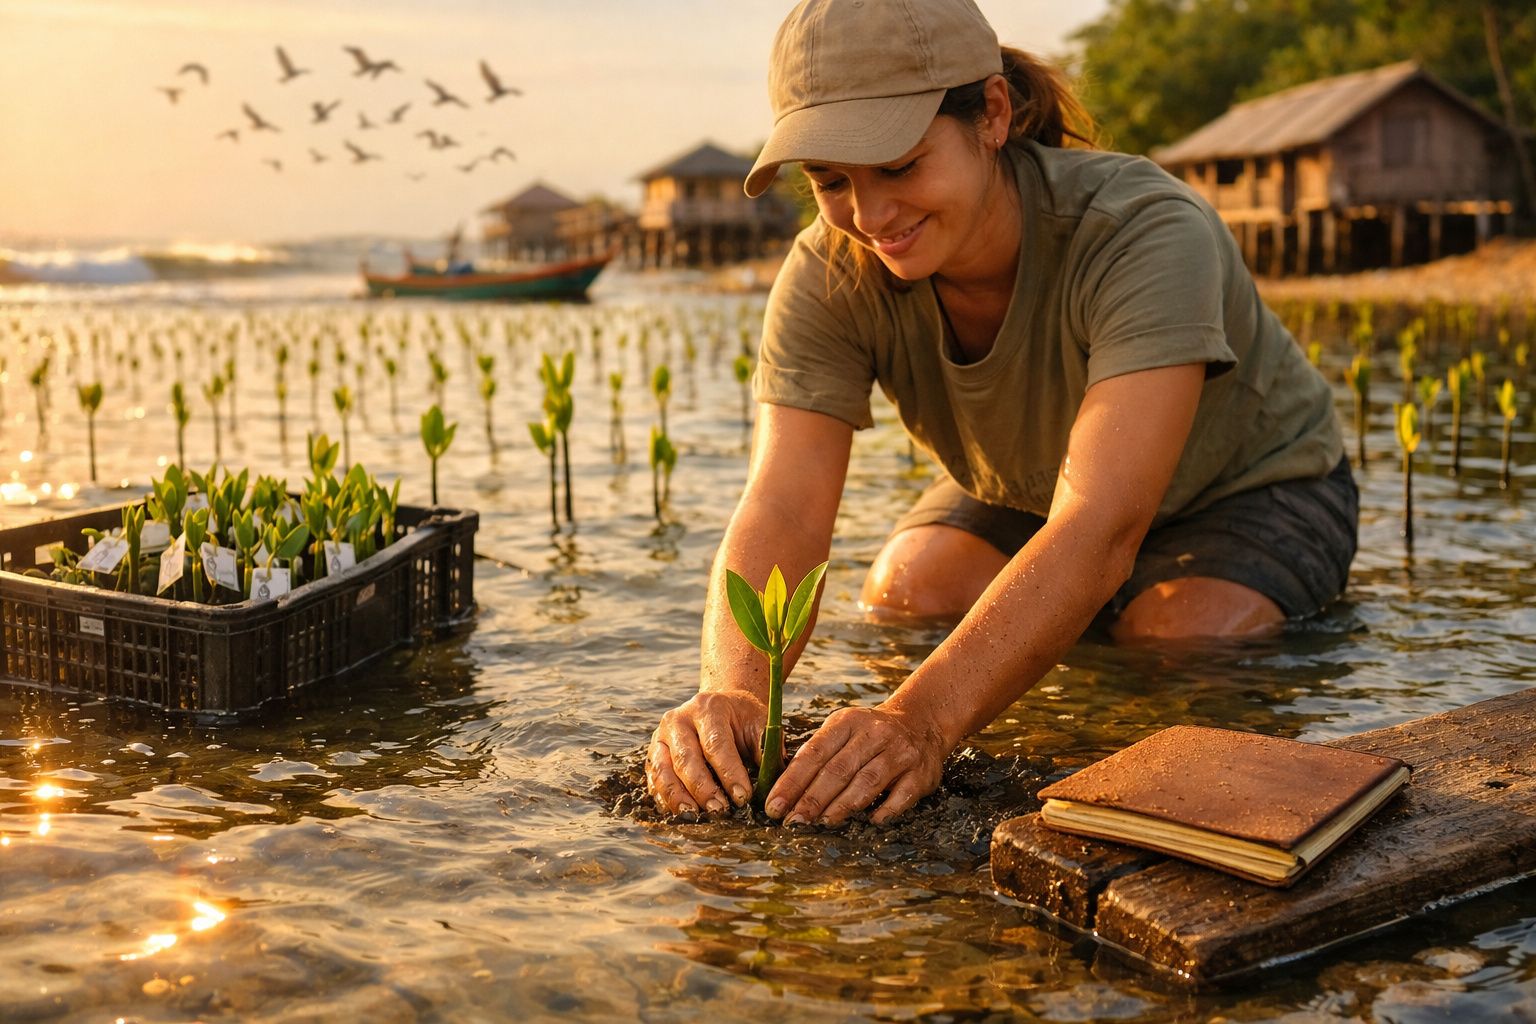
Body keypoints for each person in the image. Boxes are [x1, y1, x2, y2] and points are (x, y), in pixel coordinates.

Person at [645, 0, 1356, 828]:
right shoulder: (829, 270)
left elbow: (1100, 524)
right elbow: (784, 504)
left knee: (1177, 635)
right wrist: (730, 691)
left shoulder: (1145, 229)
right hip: (1026, 485)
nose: (872, 219)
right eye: (832, 182)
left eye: (901, 166)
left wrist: (921, 723)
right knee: (908, 592)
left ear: (990, 113)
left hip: (1249, 487)